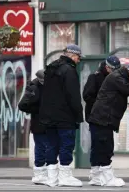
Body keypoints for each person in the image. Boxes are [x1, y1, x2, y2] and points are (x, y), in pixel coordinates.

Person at [87, 64, 129, 187]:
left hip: (101, 118)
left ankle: (96, 176)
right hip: (103, 119)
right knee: (105, 147)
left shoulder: (118, 77)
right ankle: (107, 177)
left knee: (98, 148)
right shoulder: (117, 77)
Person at [39, 44, 84, 187]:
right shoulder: (69, 70)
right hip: (65, 116)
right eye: (78, 58)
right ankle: (65, 176)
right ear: (72, 55)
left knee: (52, 145)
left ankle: (52, 177)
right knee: (66, 145)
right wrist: (78, 114)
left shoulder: (51, 68)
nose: (78, 61)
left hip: (49, 116)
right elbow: (73, 96)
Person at [18, 69, 47, 185]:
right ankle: (39, 173)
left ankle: (45, 173)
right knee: (41, 148)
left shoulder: (50, 86)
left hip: (49, 123)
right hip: (39, 124)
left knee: (48, 148)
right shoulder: (34, 87)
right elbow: (22, 105)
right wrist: (37, 110)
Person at [83, 56, 121, 123]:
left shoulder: (113, 78)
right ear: (107, 67)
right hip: (96, 117)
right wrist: (102, 106)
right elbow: (87, 96)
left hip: (108, 118)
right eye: (113, 70)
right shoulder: (94, 78)